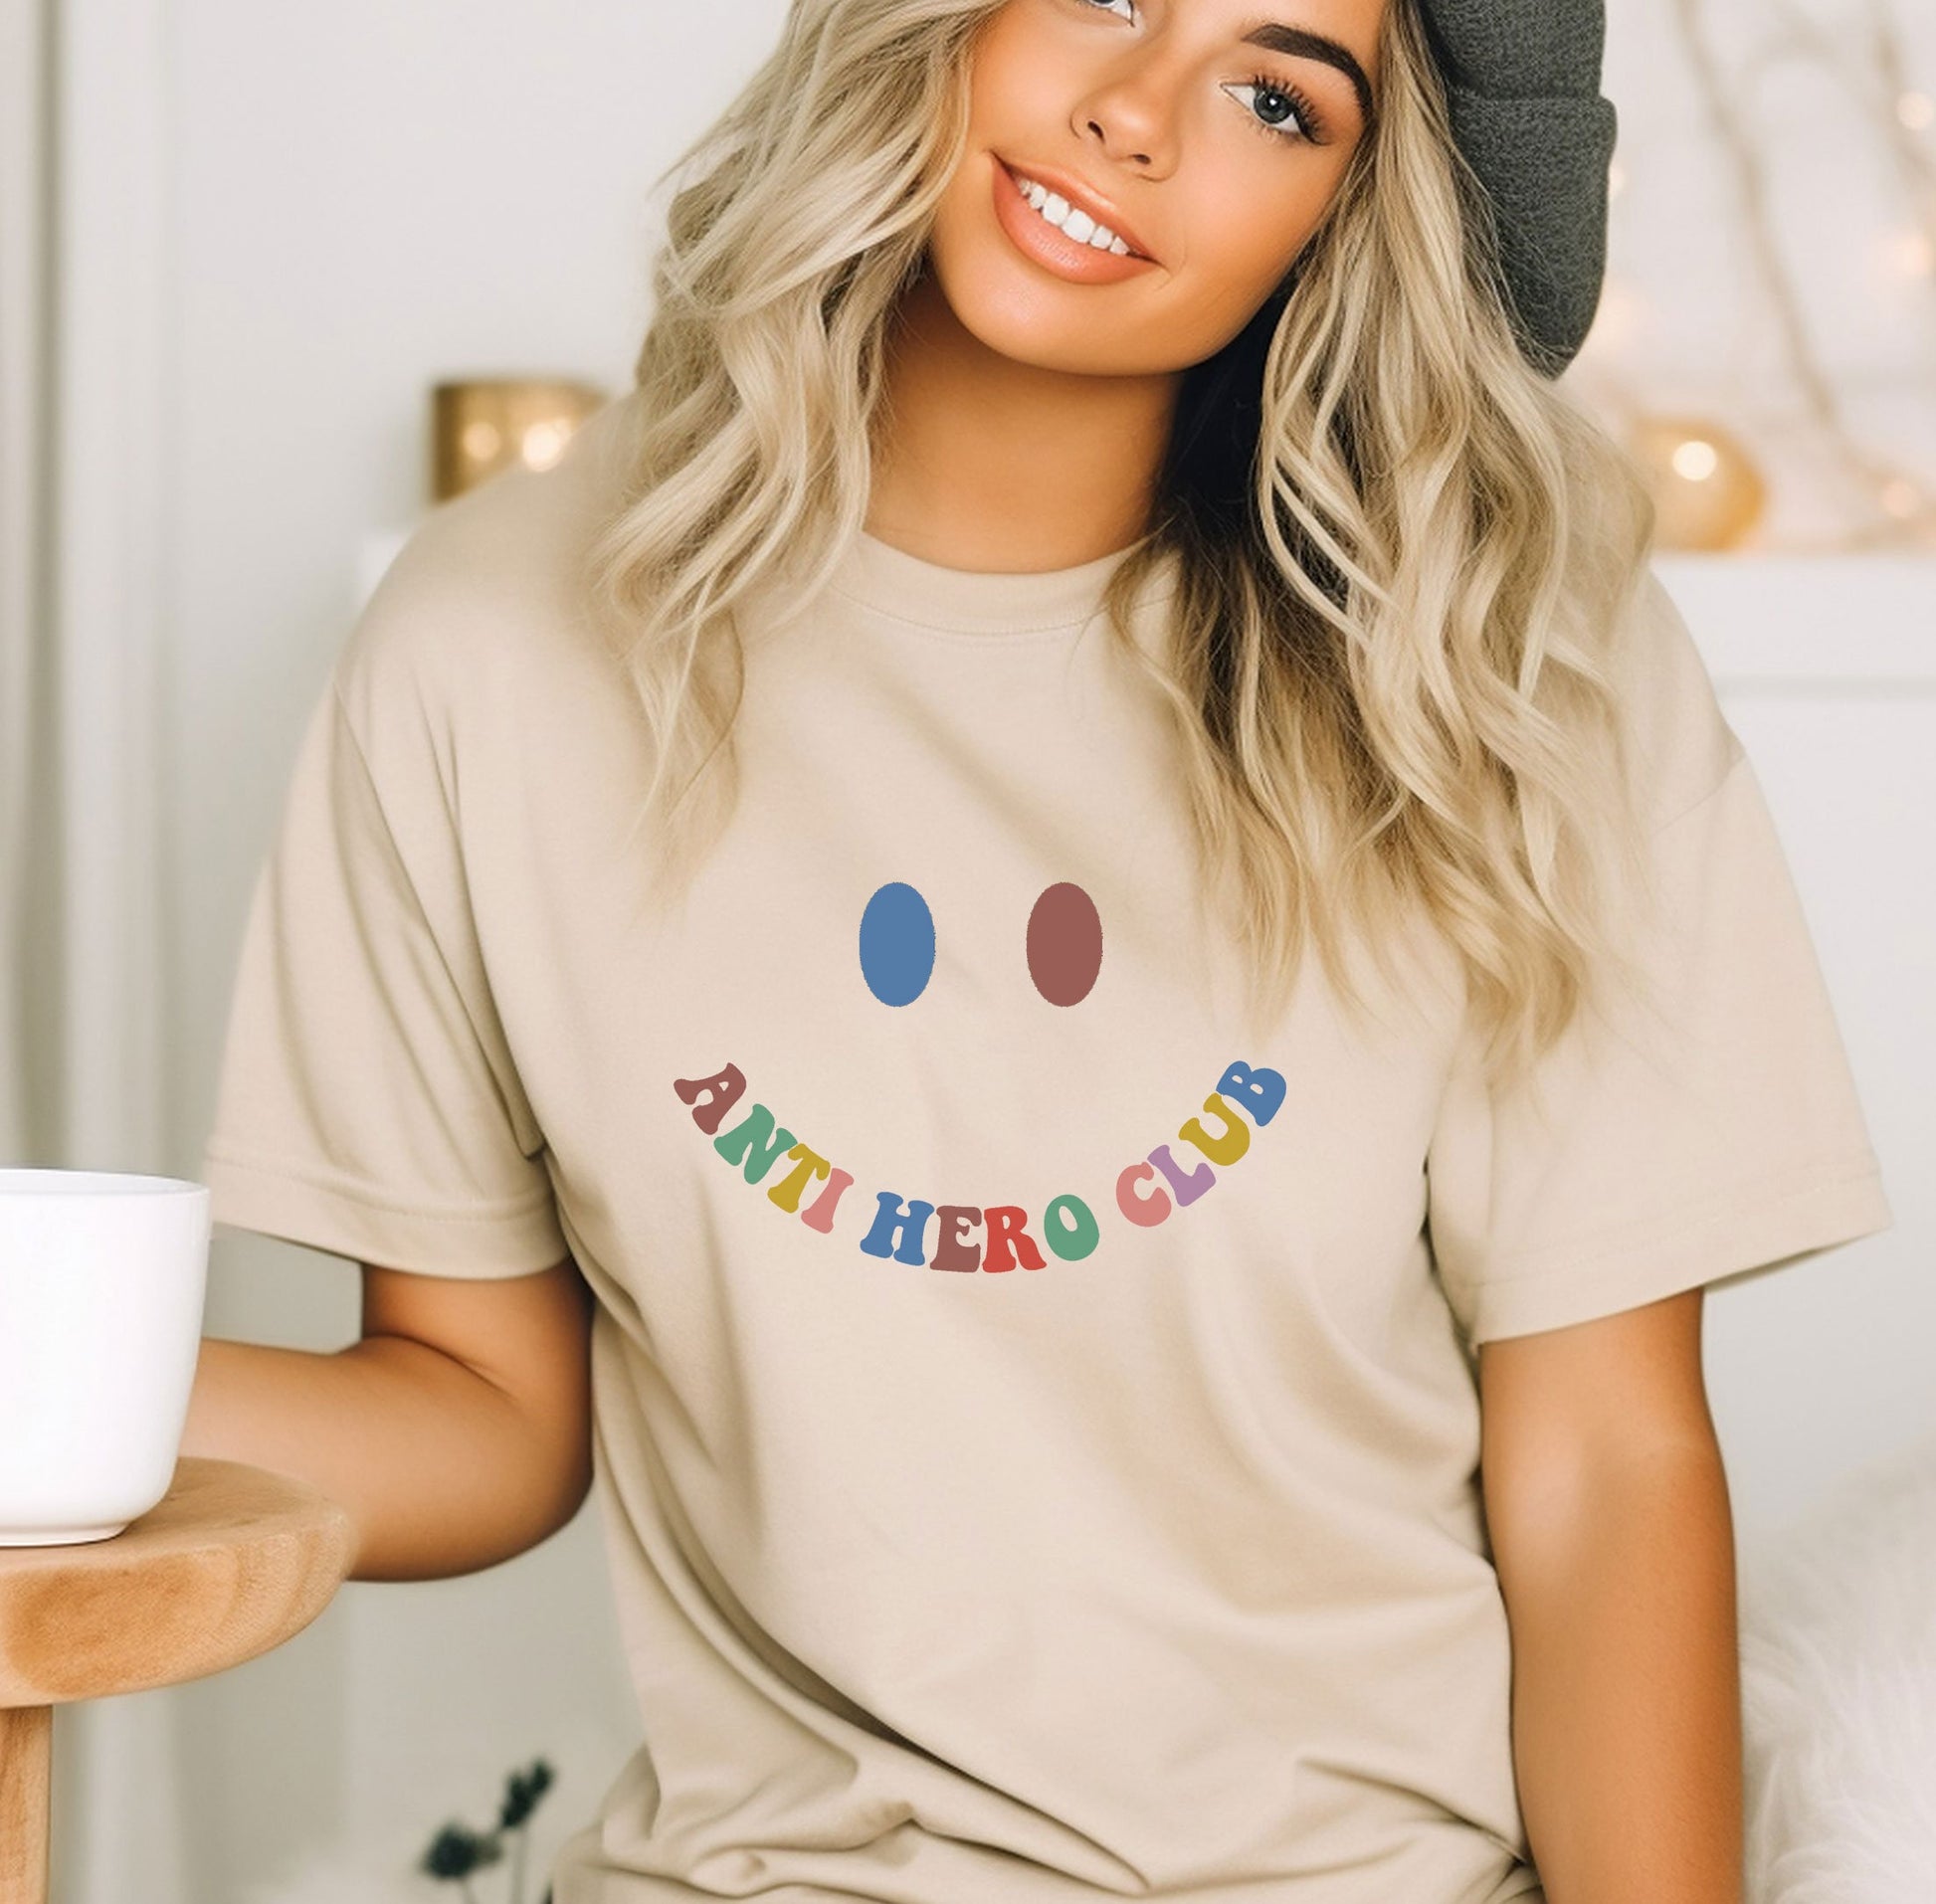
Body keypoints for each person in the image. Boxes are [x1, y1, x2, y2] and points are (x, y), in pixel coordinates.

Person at [184, 0, 1892, 1898]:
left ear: (1348, 210)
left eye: (1272, 94)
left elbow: (1600, 1473)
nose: (1135, 116)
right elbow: (483, 1413)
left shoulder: (1499, 673)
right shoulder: (492, 646)